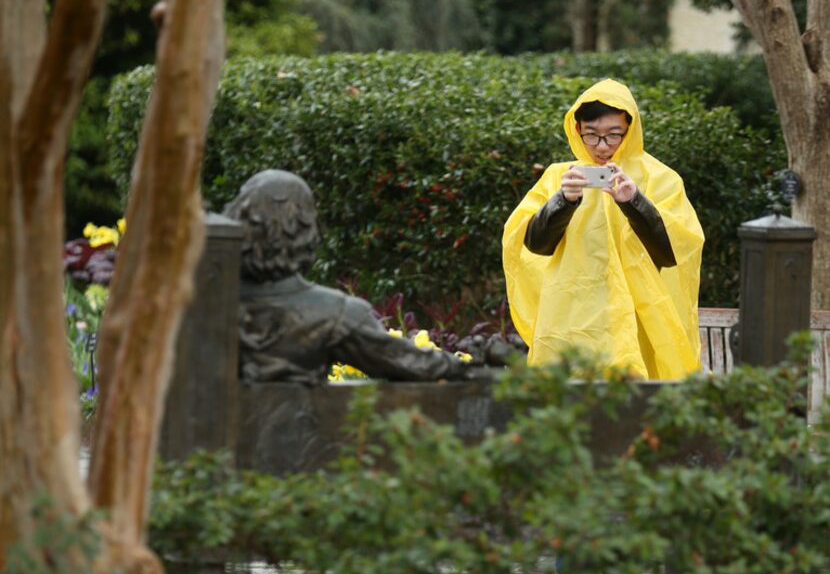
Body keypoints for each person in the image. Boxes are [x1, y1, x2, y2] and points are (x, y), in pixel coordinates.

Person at [502, 79, 704, 379]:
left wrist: (633, 201)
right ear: (577, 130)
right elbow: (532, 244)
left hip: (639, 319)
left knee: (639, 408)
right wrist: (563, 200)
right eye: (591, 136)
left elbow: (674, 250)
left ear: (630, 130)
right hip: (571, 318)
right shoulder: (560, 177)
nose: (602, 147)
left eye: (614, 136)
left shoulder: (660, 178)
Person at [223, 169, 473, 384]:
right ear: (306, 229)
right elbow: (413, 363)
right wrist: (482, 359)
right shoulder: (336, 313)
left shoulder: (206, 306)